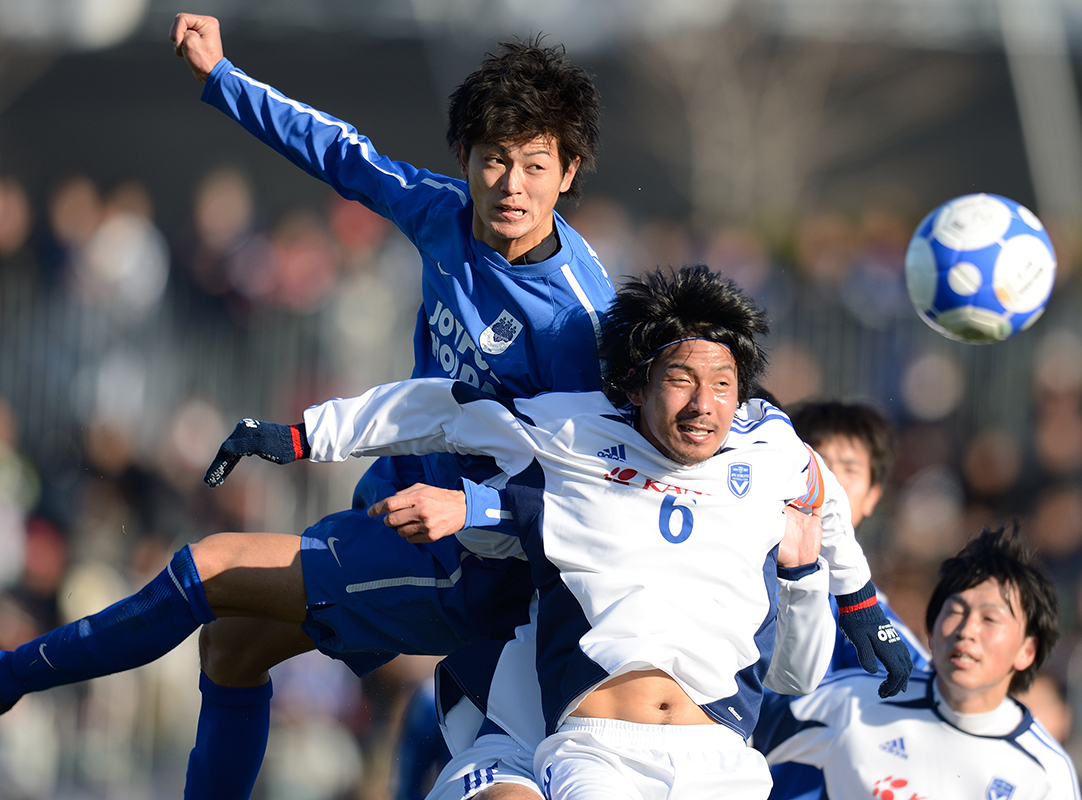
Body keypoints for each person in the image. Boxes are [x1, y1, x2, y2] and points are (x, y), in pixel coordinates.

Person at [0, 14, 612, 800]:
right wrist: (221, 77)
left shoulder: (575, 324)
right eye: (495, 160)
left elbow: (591, 480)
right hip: (397, 504)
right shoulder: (444, 216)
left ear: (568, 173)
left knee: (211, 566)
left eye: (535, 164)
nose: (511, 184)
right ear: (466, 158)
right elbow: (341, 152)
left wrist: (478, 511)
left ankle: (12, 674)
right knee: (232, 647)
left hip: (469, 562)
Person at [203, 265, 912, 799]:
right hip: (598, 753)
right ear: (635, 385)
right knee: (231, 631)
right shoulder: (570, 432)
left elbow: (826, 505)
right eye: (680, 379)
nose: (704, 404)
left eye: (723, 384)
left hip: (721, 760)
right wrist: (299, 437)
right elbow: (438, 410)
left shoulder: (773, 450)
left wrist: (861, 607)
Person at [753, 526, 1081, 800]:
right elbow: (740, 737)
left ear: (1027, 650)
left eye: (990, 618)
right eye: (955, 612)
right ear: (932, 632)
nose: (967, 630)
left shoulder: (1045, 776)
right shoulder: (854, 704)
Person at [784, 400, 931, 672]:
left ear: (872, 497)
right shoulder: (742, 563)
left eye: (850, 469)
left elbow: (918, 687)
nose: (832, 480)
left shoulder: (866, 614)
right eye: (821, 463)